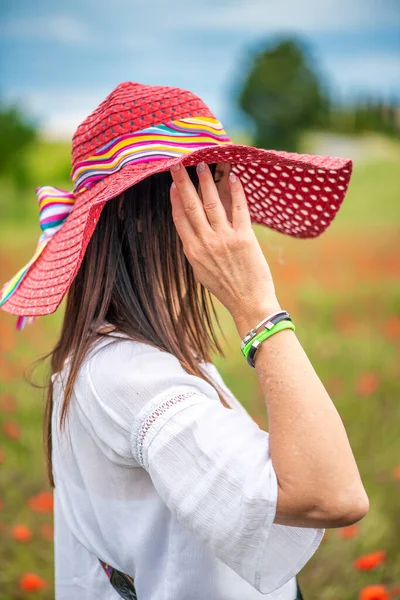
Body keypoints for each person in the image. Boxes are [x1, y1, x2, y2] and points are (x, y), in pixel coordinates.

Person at [0, 81, 369, 599]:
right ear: (138, 213)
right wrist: (258, 307)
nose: (230, 204)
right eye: (211, 181)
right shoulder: (132, 376)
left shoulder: (132, 350)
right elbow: (333, 496)